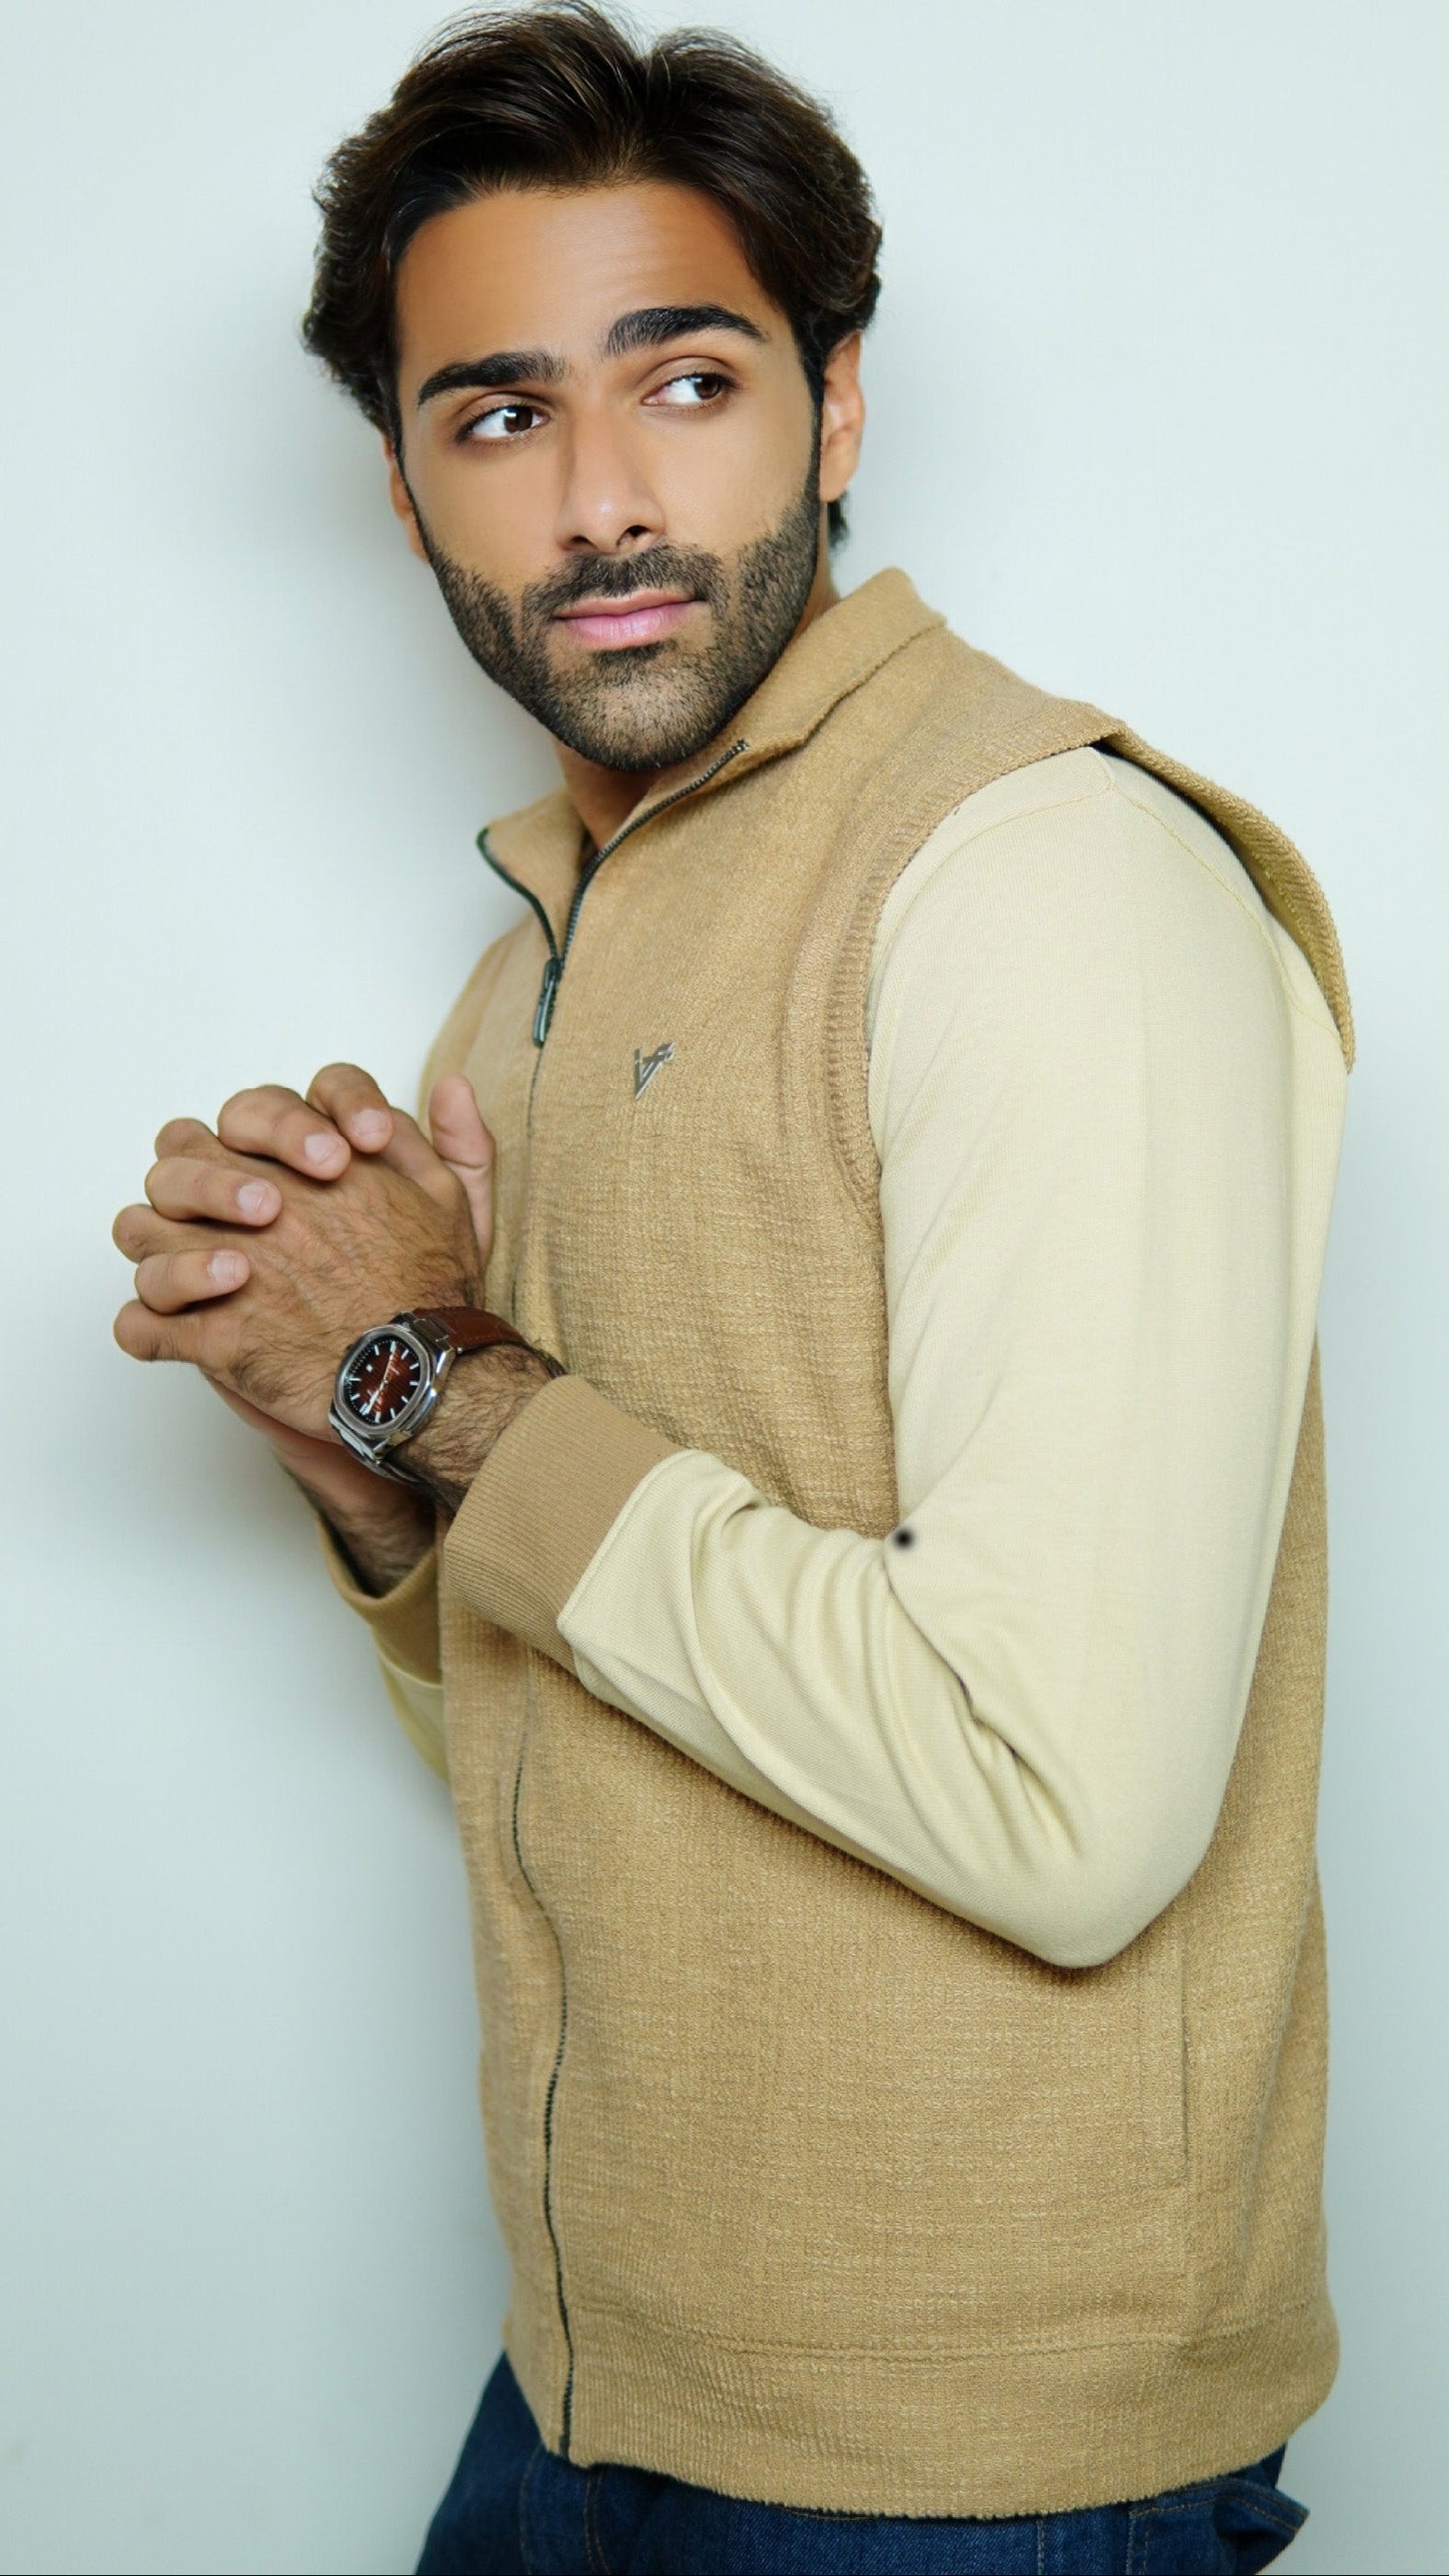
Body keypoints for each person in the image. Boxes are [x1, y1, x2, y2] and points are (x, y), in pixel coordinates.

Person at [111, 8, 1352, 2569]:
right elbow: (582, 1749)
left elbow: (1065, 1802)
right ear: (401, 486)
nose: (602, 502)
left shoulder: (1043, 887)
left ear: (839, 402)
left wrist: (437, 1365)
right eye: (498, 414)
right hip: (598, 2371)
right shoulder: (536, 965)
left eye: (686, 378)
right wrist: (370, 1459)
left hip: (970, 2463)